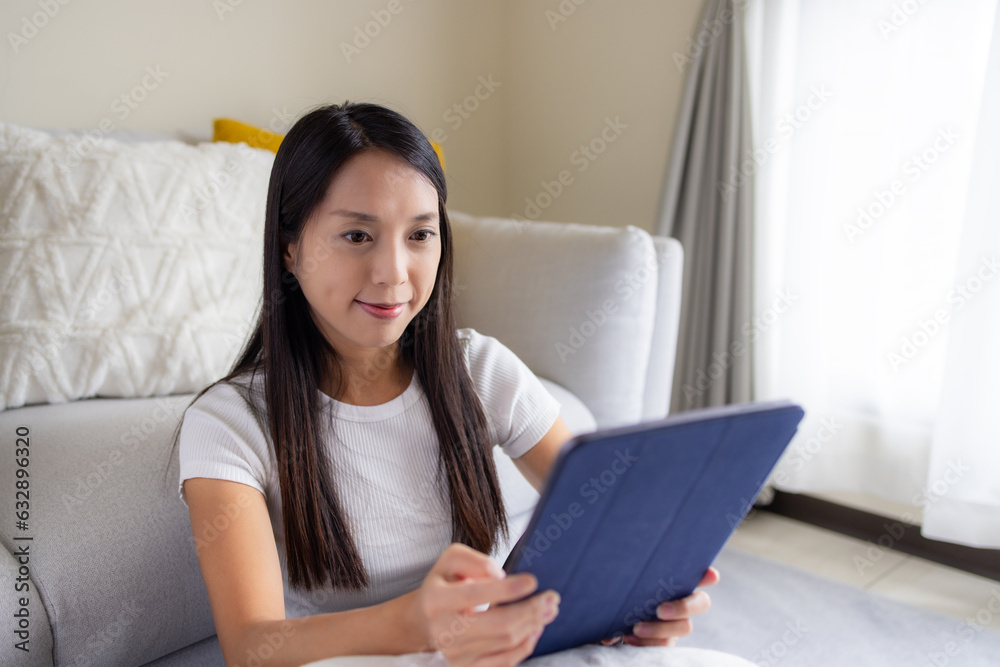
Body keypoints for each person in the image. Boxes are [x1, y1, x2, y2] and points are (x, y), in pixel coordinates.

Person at [176, 101, 717, 667]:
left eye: (420, 235)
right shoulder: (230, 422)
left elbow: (609, 530)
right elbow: (251, 647)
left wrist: (628, 606)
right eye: (357, 235)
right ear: (289, 248)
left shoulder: (480, 369)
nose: (394, 273)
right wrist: (414, 624)